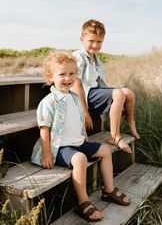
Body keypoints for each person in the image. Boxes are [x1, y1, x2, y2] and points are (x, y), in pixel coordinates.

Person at [31, 50, 130, 222]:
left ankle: (108, 190)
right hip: (60, 147)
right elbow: (44, 129)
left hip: (78, 142)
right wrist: (47, 153)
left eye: (72, 74)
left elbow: (79, 120)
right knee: (80, 159)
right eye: (62, 74)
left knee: (105, 150)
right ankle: (83, 201)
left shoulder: (76, 98)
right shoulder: (49, 102)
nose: (68, 78)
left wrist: (85, 137)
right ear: (50, 77)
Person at [73, 19, 140, 154]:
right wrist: (85, 112)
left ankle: (130, 121)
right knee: (119, 94)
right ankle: (114, 136)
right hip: (85, 95)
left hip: (95, 91)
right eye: (91, 41)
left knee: (128, 92)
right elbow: (77, 85)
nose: (95, 45)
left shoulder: (97, 59)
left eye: (99, 42)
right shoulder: (79, 56)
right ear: (82, 39)